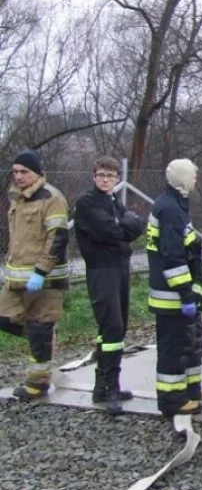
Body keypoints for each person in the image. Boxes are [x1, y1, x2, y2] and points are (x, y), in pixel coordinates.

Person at [73, 156, 146, 415]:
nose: (106, 180)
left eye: (111, 176)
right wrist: (122, 227)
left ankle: (102, 384)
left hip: (120, 268)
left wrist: (123, 226)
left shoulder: (114, 201)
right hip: (101, 270)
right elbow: (107, 231)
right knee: (111, 326)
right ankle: (111, 387)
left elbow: (136, 226)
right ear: (94, 176)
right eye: (102, 175)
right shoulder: (86, 202)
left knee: (117, 327)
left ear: (117, 179)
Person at [0, 150, 69, 401]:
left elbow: (58, 237)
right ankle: (48, 337)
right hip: (17, 278)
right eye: (15, 172)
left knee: (40, 328)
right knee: (6, 319)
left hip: (46, 280)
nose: (18, 176)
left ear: (37, 173)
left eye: (24, 172)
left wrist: (41, 271)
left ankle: (37, 383)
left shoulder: (51, 197)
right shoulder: (17, 198)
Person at [147, 158, 202, 417]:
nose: (195, 179)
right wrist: (185, 294)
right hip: (172, 298)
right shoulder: (170, 209)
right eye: (193, 175)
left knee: (193, 344)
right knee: (175, 349)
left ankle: (191, 390)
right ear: (183, 178)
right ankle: (172, 399)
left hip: (183, 296)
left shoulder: (176, 204)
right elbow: (173, 257)